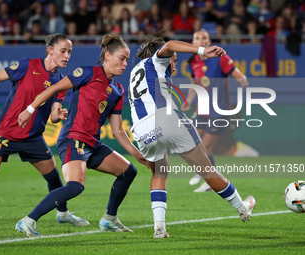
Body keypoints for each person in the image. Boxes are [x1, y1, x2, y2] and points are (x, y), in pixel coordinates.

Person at [17, 34, 148, 236]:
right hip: (73, 138)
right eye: (121, 58)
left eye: (127, 60)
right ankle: (28, 220)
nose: (125, 64)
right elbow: (54, 88)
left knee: (128, 172)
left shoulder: (118, 90)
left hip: (92, 143)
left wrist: (136, 153)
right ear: (107, 56)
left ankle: (109, 219)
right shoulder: (88, 73)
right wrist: (30, 109)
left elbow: (117, 130)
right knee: (76, 186)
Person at [128, 37, 255, 238]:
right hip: (165, 119)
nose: (175, 66)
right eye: (174, 61)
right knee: (207, 170)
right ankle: (242, 207)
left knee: (159, 174)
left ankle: (159, 227)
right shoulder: (156, 60)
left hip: (141, 130)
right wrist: (202, 50)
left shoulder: (136, 71)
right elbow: (169, 45)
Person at [0, 34, 88, 230]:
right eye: (63, 51)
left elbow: (54, 116)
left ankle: (63, 214)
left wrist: (59, 114)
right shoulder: (27, 65)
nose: (67, 56)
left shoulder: (61, 82)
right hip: (6, 132)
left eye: (69, 52)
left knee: (54, 178)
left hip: (32, 137)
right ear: (50, 50)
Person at [181, 29, 249, 192]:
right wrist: (188, 101)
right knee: (190, 142)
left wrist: (241, 78)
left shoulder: (220, 58)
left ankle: (205, 176)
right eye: (197, 38)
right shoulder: (193, 61)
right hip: (201, 109)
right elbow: (195, 85)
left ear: (209, 42)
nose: (200, 41)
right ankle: (206, 174)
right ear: (193, 43)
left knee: (204, 149)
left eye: (204, 38)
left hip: (219, 110)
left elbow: (236, 72)